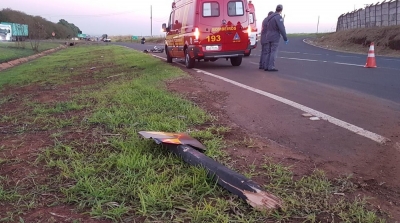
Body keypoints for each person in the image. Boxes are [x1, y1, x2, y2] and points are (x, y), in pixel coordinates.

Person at [262, 4, 288, 72]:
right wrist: (285, 38)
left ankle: (266, 66)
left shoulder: (269, 17)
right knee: (273, 51)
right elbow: (282, 28)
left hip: (268, 36)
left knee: (268, 52)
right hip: (275, 36)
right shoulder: (278, 17)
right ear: (281, 10)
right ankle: (271, 66)